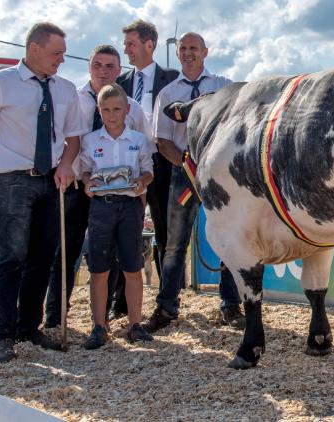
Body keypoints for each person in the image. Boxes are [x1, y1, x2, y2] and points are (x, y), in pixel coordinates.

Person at [0, 22, 85, 362]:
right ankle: (1, 334)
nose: (62, 59)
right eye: (56, 53)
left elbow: (73, 136)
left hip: (52, 180)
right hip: (11, 179)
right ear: (33, 49)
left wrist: (66, 164)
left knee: (43, 258)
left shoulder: (65, 89)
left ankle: (28, 327)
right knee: (10, 255)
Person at [143, 32, 245, 333]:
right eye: (183, 49)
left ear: (205, 52)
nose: (188, 53)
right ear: (177, 54)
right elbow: (162, 140)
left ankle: (231, 304)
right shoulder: (167, 92)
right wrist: (188, 164)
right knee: (175, 243)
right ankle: (167, 306)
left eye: (194, 48)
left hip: (220, 174)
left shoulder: (224, 87)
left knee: (229, 239)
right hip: (183, 174)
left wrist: (210, 164)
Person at [43, 45, 150, 328]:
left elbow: (143, 148)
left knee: (117, 255)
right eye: (98, 65)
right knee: (67, 250)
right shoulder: (72, 100)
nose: (103, 71)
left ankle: (114, 312)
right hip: (79, 185)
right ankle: (56, 314)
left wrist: (141, 189)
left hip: (123, 194)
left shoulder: (134, 108)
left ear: (119, 70)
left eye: (110, 66)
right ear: (89, 67)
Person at [79, 84, 154, 348]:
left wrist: (141, 182)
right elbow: (85, 171)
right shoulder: (90, 141)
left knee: (132, 266)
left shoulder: (138, 140)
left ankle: (135, 324)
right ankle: (99, 325)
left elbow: (148, 171)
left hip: (130, 207)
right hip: (101, 208)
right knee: (99, 268)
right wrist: (87, 182)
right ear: (99, 111)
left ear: (127, 110)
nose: (112, 115)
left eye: (117, 109)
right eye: (106, 109)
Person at [113, 20, 179, 320]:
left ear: (149, 44)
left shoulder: (173, 80)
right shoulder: (120, 85)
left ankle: (167, 300)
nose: (126, 49)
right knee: (125, 231)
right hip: (127, 166)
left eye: (131, 43)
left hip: (163, 162)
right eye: (125, 44)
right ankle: (122, 301)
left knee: (166, 233)